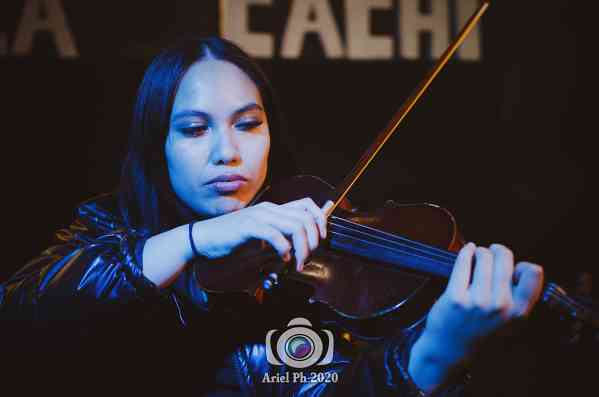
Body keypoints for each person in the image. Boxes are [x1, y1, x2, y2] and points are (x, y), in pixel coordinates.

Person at [0, 36, 544, 397]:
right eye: (193, 129)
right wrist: (193, 238)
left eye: (248, 124)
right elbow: (19, 316)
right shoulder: (105, 226)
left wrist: (440, 348)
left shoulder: (304, 265)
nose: (227, 154)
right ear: (156, 143)